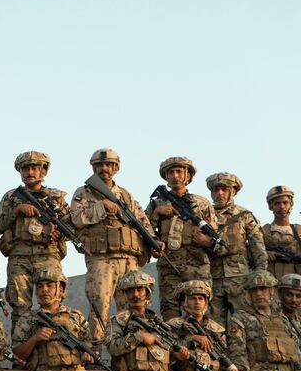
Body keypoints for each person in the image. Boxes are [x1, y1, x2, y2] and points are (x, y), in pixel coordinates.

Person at [70, 148, 158, 348]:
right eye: (99, 165)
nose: (104, 169)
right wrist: (103, 207)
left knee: (130, 308)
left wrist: (153, 240)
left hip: (128, 258)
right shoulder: (84, 192)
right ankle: (96, 350)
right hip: (101, 259)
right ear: (93, 168)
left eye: (108, 165)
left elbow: (140, 220)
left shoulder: (125, 195)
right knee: (99, 306)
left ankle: (128, 349)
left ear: (116, 168)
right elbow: (76, 219)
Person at [0, 151, 69, 333]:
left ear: (43, 171)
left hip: (49, 253)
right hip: (19, 256)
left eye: (35, 168)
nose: (30, 172)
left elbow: (71, 224)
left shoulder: (55, 197)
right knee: (20, 307)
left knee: (54, 304)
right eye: (25, 168)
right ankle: (21, 356)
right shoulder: (11, 197)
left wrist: (59, 234)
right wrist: (17, 210)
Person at [11, 268, 90, 371]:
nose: (44, 290)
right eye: (40, 286)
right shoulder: (28, 319)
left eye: (49, 285)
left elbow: (89, 345)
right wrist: (35, 339)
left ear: (60, 290)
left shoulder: (75, 316)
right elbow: (17, 353)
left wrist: (88, 355)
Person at [106, 270, 183, 371]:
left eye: (140, 290)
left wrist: (178, 353)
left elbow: (171, 354)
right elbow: (113, 347)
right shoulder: (119, 321)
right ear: (125, 294)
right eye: (131, 290)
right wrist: (138, 337)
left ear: (147, 292)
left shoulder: (160, 324)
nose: (135, 294)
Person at [145, 157, 219, 320]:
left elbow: (214, 235)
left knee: (201, 310)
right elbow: (144, 229)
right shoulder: (157, 203)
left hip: (197, 263)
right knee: (170, 310)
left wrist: (207, 242)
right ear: (166, 177)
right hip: (169, 264)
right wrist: (157, 213)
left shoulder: (201, 203)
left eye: (179, 171)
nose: (175, 176)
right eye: (171, 172)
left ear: (188, 176)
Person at [165, 280, 232, 371]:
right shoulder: (173, 326)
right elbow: (167, 350)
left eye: (201, 298)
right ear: (184, 302)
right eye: (193, 298)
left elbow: (224, 357)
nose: (197, 302)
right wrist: (191, 338)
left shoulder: (217, 329)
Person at [205, 172, 267, 324]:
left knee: (245, 323)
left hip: (240, 280)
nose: (219, 193)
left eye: (224, 189)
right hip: (212, 278)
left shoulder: (244, 215)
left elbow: (258, 248)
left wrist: (259, 277)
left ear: (233, 191)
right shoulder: (204, 215)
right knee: (213, 327)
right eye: (215, 190)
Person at [263, 186, 301, 278]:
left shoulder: (298, 230)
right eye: (277, 204)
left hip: (295, 286)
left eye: (285, 203)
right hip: (271, 282)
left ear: (291, 204)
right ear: (270, 206)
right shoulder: (263, 231)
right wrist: (265, 254)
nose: (282, 207)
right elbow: (250, 253)